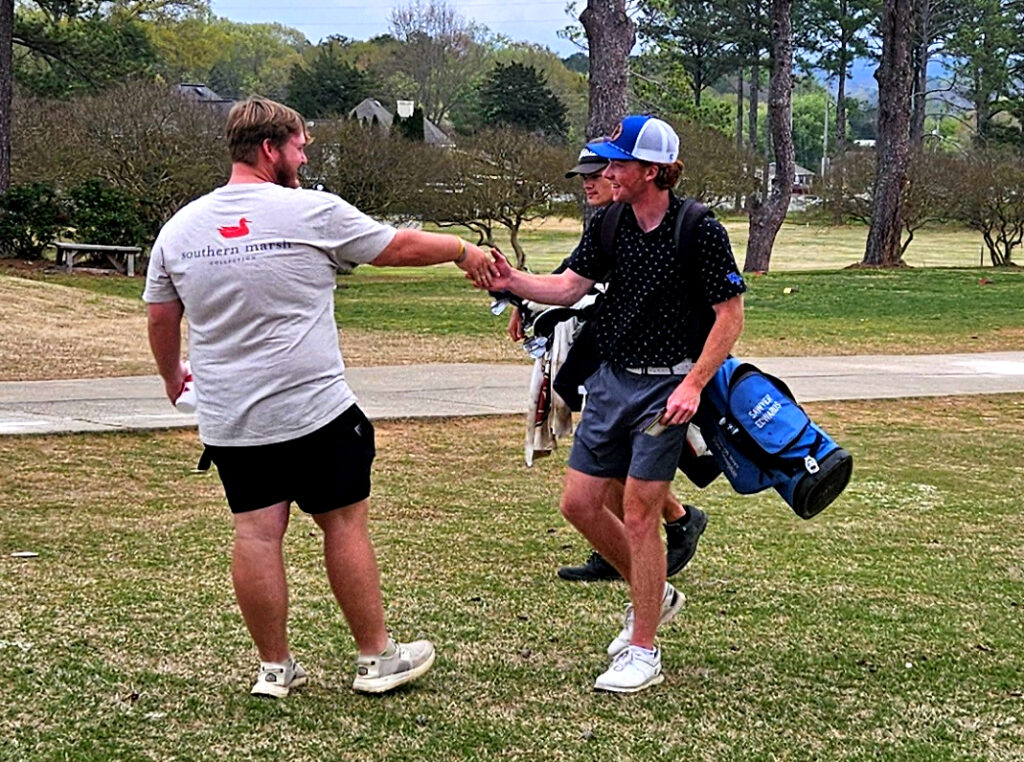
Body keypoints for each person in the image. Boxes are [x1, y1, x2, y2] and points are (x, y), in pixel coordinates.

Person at [143, 96, 498, 698]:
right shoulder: (308, 211)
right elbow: (394, 247)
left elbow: (160, 314)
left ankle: (274, 670)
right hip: (315, 411)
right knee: (343, 526)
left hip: (232, 418)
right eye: (301, 145)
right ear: (269, 149)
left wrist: (172, 372)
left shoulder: (181, 227)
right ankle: (375, 658)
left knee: (256, 533)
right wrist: (463, 250)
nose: (305, 156)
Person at [481, 115, 746, 693]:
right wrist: (512, 281)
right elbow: (569, 287)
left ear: (651, 171)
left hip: (666, 390)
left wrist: (694, 385)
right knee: (578, 505)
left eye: (618, 162)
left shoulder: (699, 228)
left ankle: (644, 648)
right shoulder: (609, 222)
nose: (606, 171)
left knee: (639, 513)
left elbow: (730, 317)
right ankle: (655, 594)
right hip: (609, 382)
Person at [508, 146, 708, 583]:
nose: (591, 183)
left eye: (600, 173)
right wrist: (521, 297)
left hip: (645, 363)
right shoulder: (608, 223)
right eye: (590, 175)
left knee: (621, 463)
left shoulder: (670, 225)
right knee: (604, 457)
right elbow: (569, 277)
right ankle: (653, 533)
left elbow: (724, 310)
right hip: (606, 355)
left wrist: (692, 380)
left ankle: (658, 535)